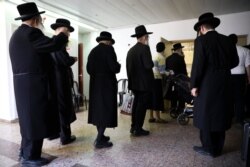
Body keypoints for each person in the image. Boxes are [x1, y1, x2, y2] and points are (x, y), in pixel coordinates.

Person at [9, 2, 68, 166]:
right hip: (34, 84)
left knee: (28, 120)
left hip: (24, 85)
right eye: (40, 18)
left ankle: (25, 152)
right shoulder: (31, 33)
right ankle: (31, 157)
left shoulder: (17, 34)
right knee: (36, 120)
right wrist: (62, 34)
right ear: (35, 19)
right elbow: (53, 45)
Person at [191, 12, 239, 157]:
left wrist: (194, 85)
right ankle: (218, 148)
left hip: (207, 84)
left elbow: (198, 65)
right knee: (220, 114)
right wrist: (222, 69)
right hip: (225, 82)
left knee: (206, 115)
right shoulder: (227, 40)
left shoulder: (201, 41)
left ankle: (208, 148)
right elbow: (235, 62)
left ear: (201, 28)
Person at [87, 31, 121, 149]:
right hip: (107, 85)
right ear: (108, 41)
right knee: (106, 110)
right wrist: (118, 65)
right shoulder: (109, 50)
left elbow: (89, 69)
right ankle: (99, 140)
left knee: (98, 111)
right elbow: (114, 68)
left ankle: (101, 136)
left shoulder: (93, 51)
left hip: (95, 84)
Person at [49, 18, 78, 145]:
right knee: (63, 107)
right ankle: (65, 136)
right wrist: (74, 59)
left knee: (56, 107)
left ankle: (55, 133)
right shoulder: (58, 44)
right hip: (60, 81)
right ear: (60, 29)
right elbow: (64, 61)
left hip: (53, 81)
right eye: (67, 31)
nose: (69, 34)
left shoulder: (50, 42)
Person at [126, 25, 154, 136]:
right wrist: (151, 62)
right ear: (144, 37)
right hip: (144, 84)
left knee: (136, 105)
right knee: (141, 107)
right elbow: (148, 65)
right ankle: (138, 128)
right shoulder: (145, 48)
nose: (148, 38)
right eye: (147, 36)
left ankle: (133, 127)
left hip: (134, 84)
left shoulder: (131, 51)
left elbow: (128, 68)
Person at [228, 34, 250, 125]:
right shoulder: (245, 50)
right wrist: (249, 78)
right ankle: (239, 119)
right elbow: (248, 66)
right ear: (236, 40)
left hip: (228, 76)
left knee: (228, 98)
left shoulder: (225, 50)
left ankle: (229, 118)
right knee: (239, 98)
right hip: (240, 77)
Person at [165, 43, 188, 113]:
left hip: (171, 80)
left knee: (173, 96)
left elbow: (166, 70)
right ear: (179, 49)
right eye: (181, 49)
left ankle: (173, 110)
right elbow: (184, 71)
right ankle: (181, 110)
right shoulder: (180, 58)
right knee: (182, 96)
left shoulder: (168, 58)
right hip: (180, 80)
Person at [148, 42, 168, 123]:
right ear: (163, 48)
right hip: (157, 79)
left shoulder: (154, 56)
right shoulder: (161, 58)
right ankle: (158, 118)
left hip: (150, 79)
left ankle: (151, 117)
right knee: (157, 98)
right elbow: (161, 71)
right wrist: (168, 72)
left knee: (152, 98)